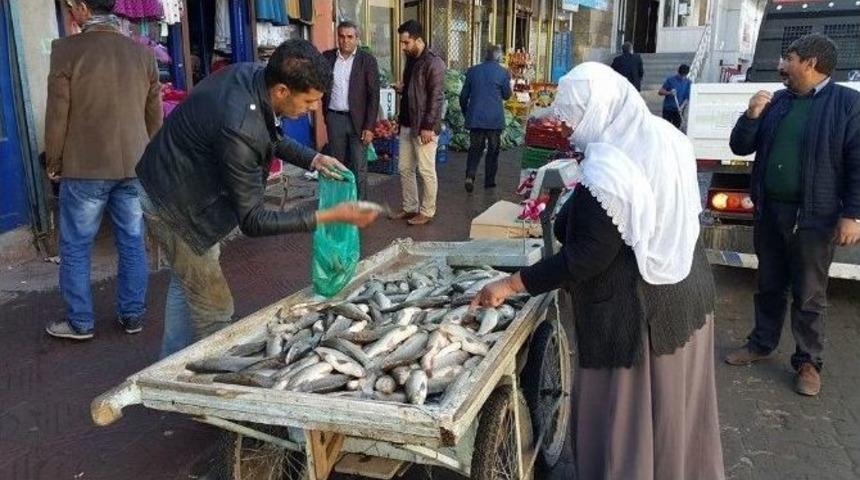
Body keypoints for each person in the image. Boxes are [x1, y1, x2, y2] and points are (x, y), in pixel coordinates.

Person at [472, 62, 725, 480]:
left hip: (640, 316)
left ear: (601, 109)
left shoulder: (609, 170)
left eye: (574, 117)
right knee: (677, 409)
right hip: (687, 289)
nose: (568, 128)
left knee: (629, 417)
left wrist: (510, 283)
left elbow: (587, 258)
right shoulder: (666, 136)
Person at [135, 39, 380, 356]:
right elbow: (253, 220)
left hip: (171, 179)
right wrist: (328, 216)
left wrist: (313, 159)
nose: (312, 109)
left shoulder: (255, 77)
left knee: (187, 284)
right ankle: (212, 391)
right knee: (214, 307)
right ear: (281, 91)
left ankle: (169, 365)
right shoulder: (240, 124)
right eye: (308, 101)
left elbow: (271, 137)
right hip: (174, 205)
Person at [724, 34, 860, 396]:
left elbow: (857, 165)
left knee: (809, 294)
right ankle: (761, 343)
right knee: (768, 284)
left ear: (811, 64)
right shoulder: (777, 102)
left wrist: (853, 215)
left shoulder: (848, 105)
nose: (782, 64)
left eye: (790, 58)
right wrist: (751, 115)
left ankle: (808, 362)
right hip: (771, 212)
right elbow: (740, 145)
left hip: (815, 218)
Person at [44, 0, 162, 340]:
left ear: (82, 8)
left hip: (85, 167)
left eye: (70, 7)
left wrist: (54, 161)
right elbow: (154, 117)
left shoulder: (66, 50)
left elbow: (57, 114)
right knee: (131, 240)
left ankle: (80, 322)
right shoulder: (142, 55)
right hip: (133, 167)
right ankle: (132, 315)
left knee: (77, 246)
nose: (69, 13)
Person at [390, 20, 445, 226]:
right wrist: (403, 88)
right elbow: (417, 90)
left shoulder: (433, 62)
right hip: (406, 124)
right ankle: (410, 207)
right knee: (405, 168)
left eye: (406, 43)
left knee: (426, 170)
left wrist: (428, 126)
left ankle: (427, 211)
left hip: (424, 127)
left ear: (418, 39)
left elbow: (436, 97)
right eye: (402, 43)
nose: (403, 47)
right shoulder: (411, 59)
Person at [322, 21, 380, 200]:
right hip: (335, 118)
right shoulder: (327, 58)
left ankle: (359, 206)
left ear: (357, 39)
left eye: (350, 37)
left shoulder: (366, 60)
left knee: (358, 166)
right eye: (341, 36)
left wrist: (370, 126)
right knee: (337, 164)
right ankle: (341, 204)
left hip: (359, 122)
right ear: (337, 37)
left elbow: (373, 95)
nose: (345, 40)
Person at [459, 44, 512, 192]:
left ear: (485, 55)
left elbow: (463, 96)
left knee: (475, 148)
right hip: (494, 120)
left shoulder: (472, 71)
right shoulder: (503, 73)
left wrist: (466, 112)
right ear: (498, 57)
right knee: (493, 150)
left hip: (476, 117)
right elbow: (507, 95)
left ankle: (470, 175)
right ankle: (489, 181)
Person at [658, 63, 691, 129]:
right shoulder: (670, 80)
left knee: (676, 129)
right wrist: (669, 93)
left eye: (684, 76)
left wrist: (682, 107)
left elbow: (687, 97)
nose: (682, 77)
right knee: (666, 128)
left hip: (679, 110)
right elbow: (660, 92)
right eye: (681, 75)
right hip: (668, 109)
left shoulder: (688, 82)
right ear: (678, 72)